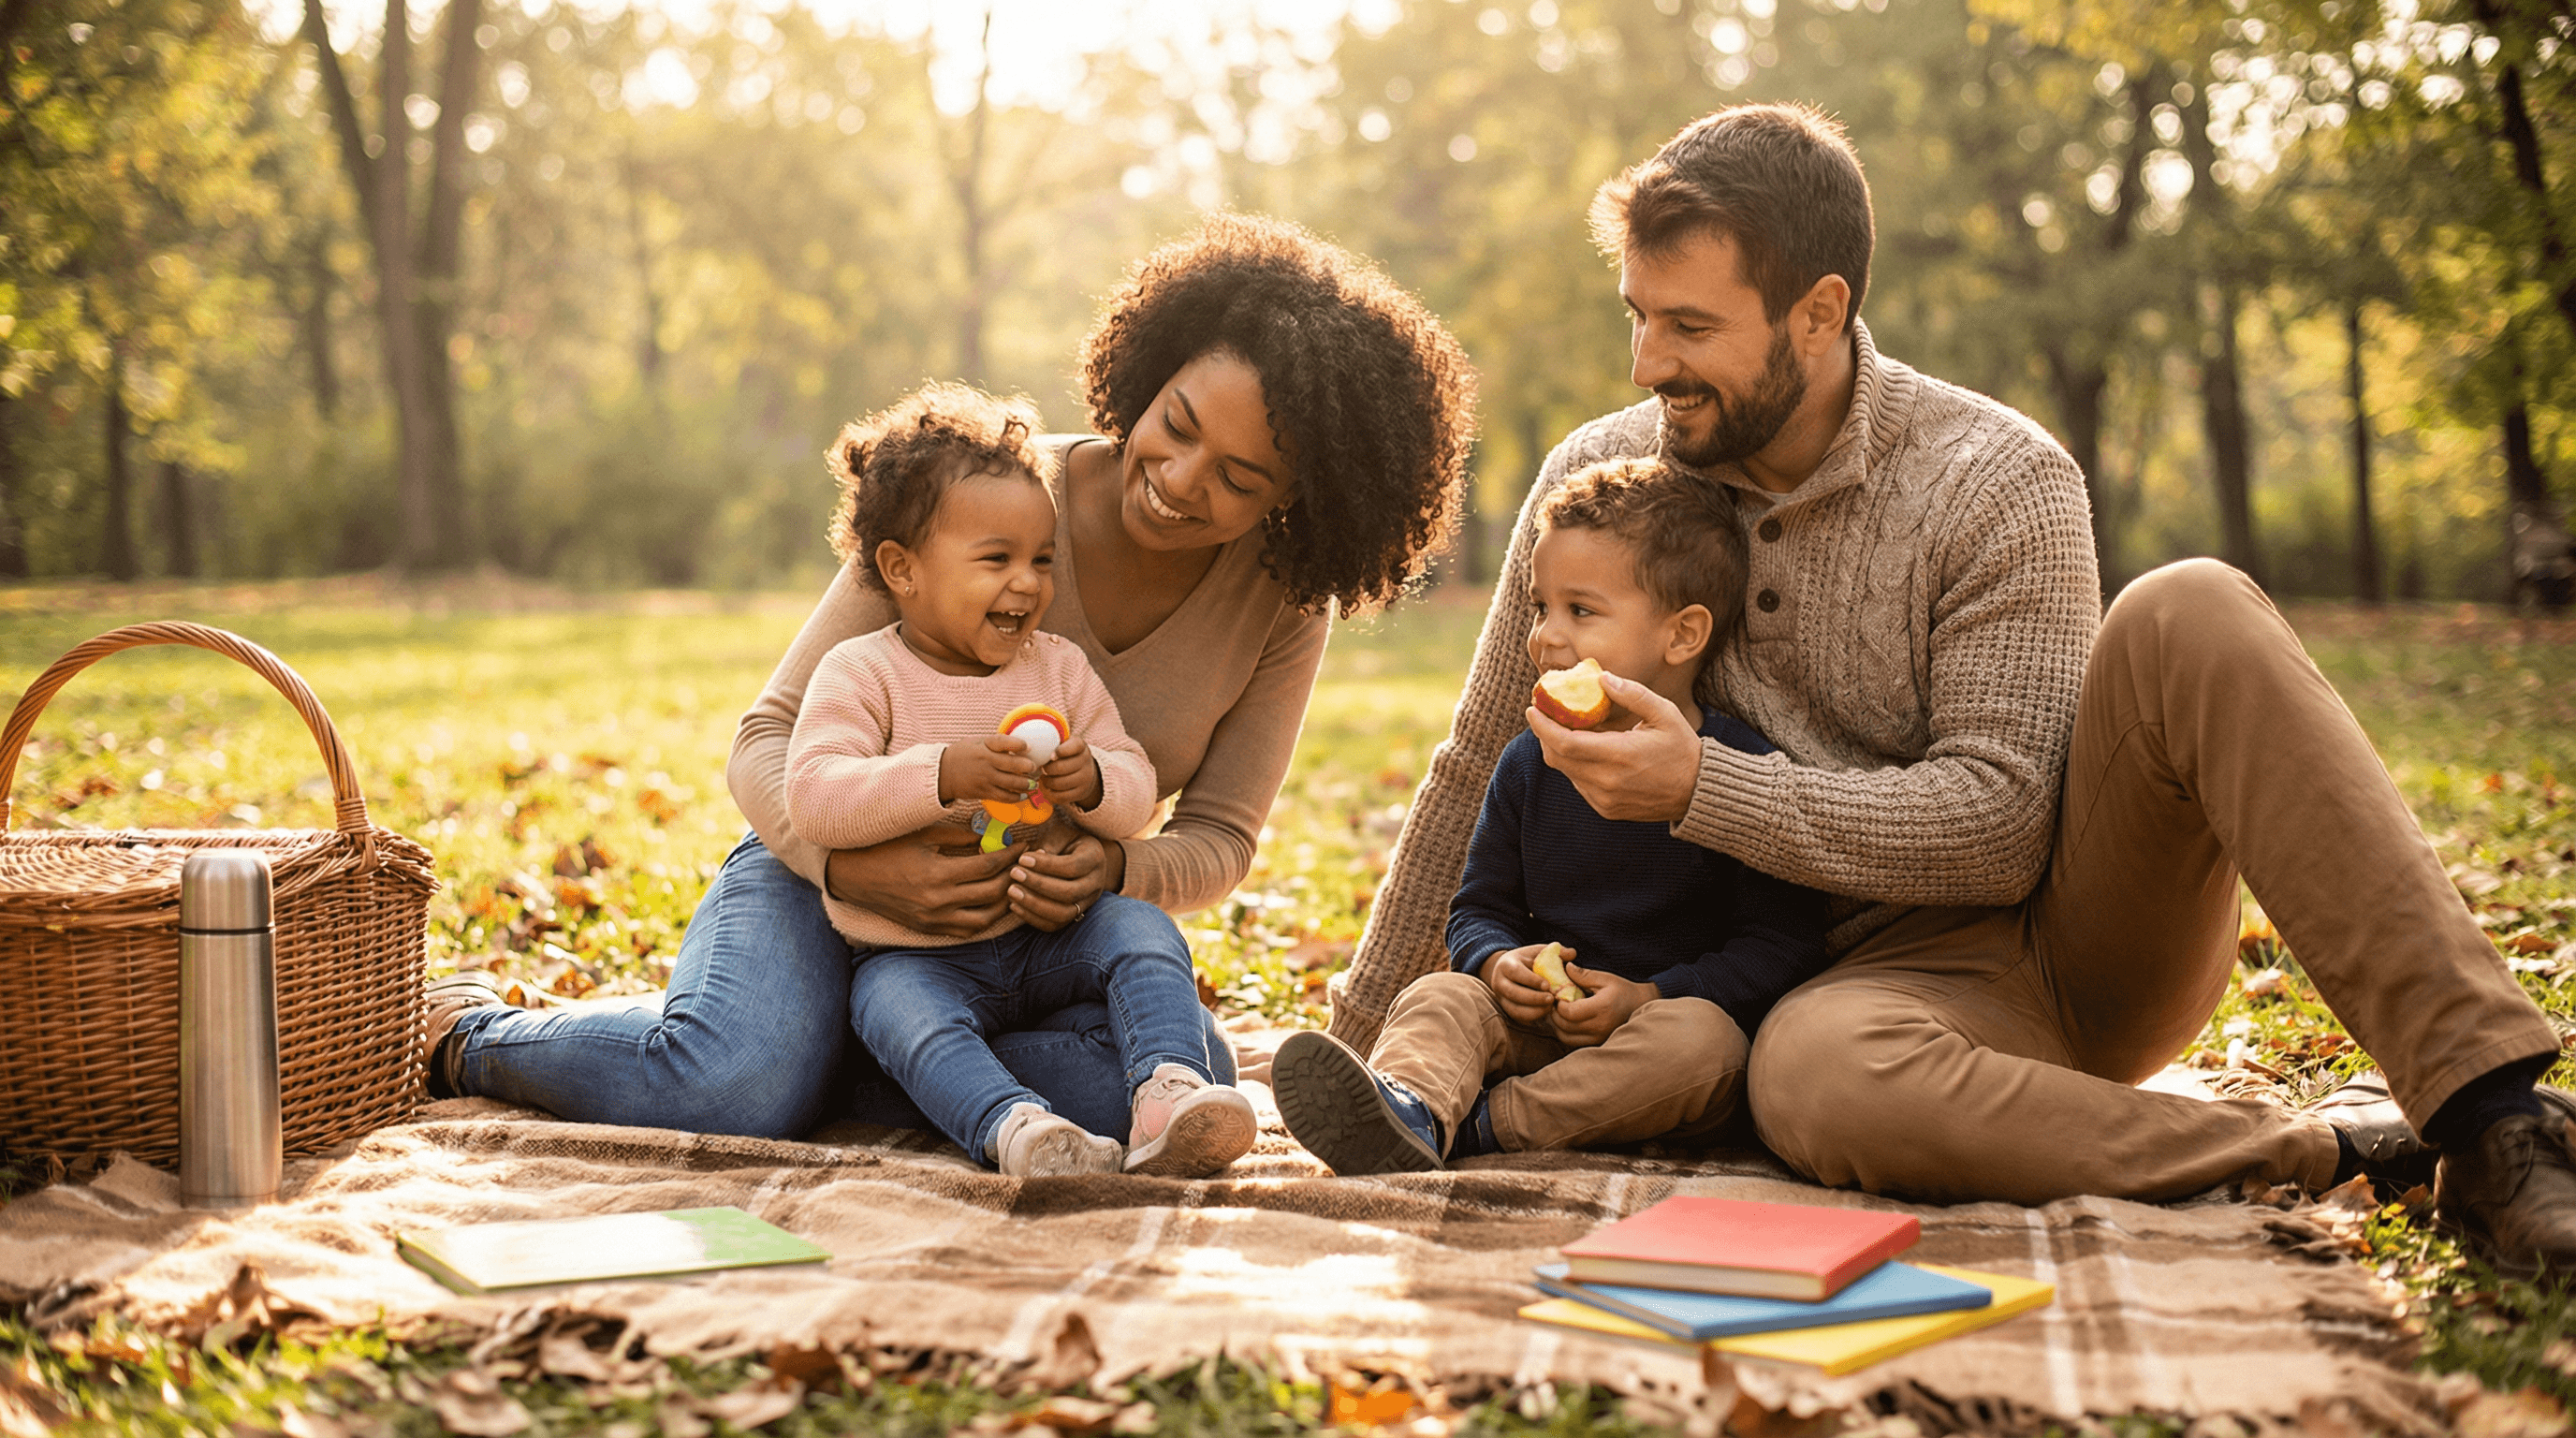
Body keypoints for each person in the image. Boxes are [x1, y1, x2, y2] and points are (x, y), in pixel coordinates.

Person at [1328, 102, 2576, 1278]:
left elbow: (2002, 825)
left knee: (2189, 604)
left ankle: (2492, 1116)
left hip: (2050, 947)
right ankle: (2332, 1149)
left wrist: (1705, 787)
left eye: (1691, 326)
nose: (1651, 361)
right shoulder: (1602, 477)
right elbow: (1476, 764)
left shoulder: (1994, 478)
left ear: (1819, 312)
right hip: (1816, 1003)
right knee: (1815, 1078)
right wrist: (1359, 1052)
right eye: (1639, 316)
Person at [423, 213, 1477, 1152]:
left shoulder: (1284, 603)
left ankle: (845, 1052)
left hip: (1021, 944)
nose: (1180, 480)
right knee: (735, 1084)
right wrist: (849, 872)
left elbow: (1221, 840)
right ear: (1152, 372)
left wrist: (1115, 872)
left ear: (1299, 497)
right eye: (1178, 424)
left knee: (1169, 1079)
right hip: (817, 873)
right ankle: (473, 1032)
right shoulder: (981, 493)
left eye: (1240, 478)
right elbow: (767, 737)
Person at [1271, 457, 1832, 1175]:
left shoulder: (1733, 773)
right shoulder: (1530, 763)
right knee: (1440, 994)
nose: (1544, 637)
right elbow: (1479, 907)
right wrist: (1496, 960)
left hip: (1654, 1048)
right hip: (1537, 1031)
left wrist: (1650, 995)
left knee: (1705, 1044)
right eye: (1541, 608)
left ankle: (1483, 1126)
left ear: (1683, 635)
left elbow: (1780, 946)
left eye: (1581, 611)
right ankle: (1411, 1105)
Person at [783, 383, 1255, 1178]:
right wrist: (941, 772)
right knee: (898, 1014)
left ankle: (1167, 1091)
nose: (1030, 583)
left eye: (1041, 559)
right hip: (915, 957)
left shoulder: (1059, 670)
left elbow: (1136, 784)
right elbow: (815, 796)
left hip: (1049, 940)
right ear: (902, 569)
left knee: (1143, 933)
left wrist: (1093, 781)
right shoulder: (862, 673)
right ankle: (1016, 1127)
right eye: (996, 560)